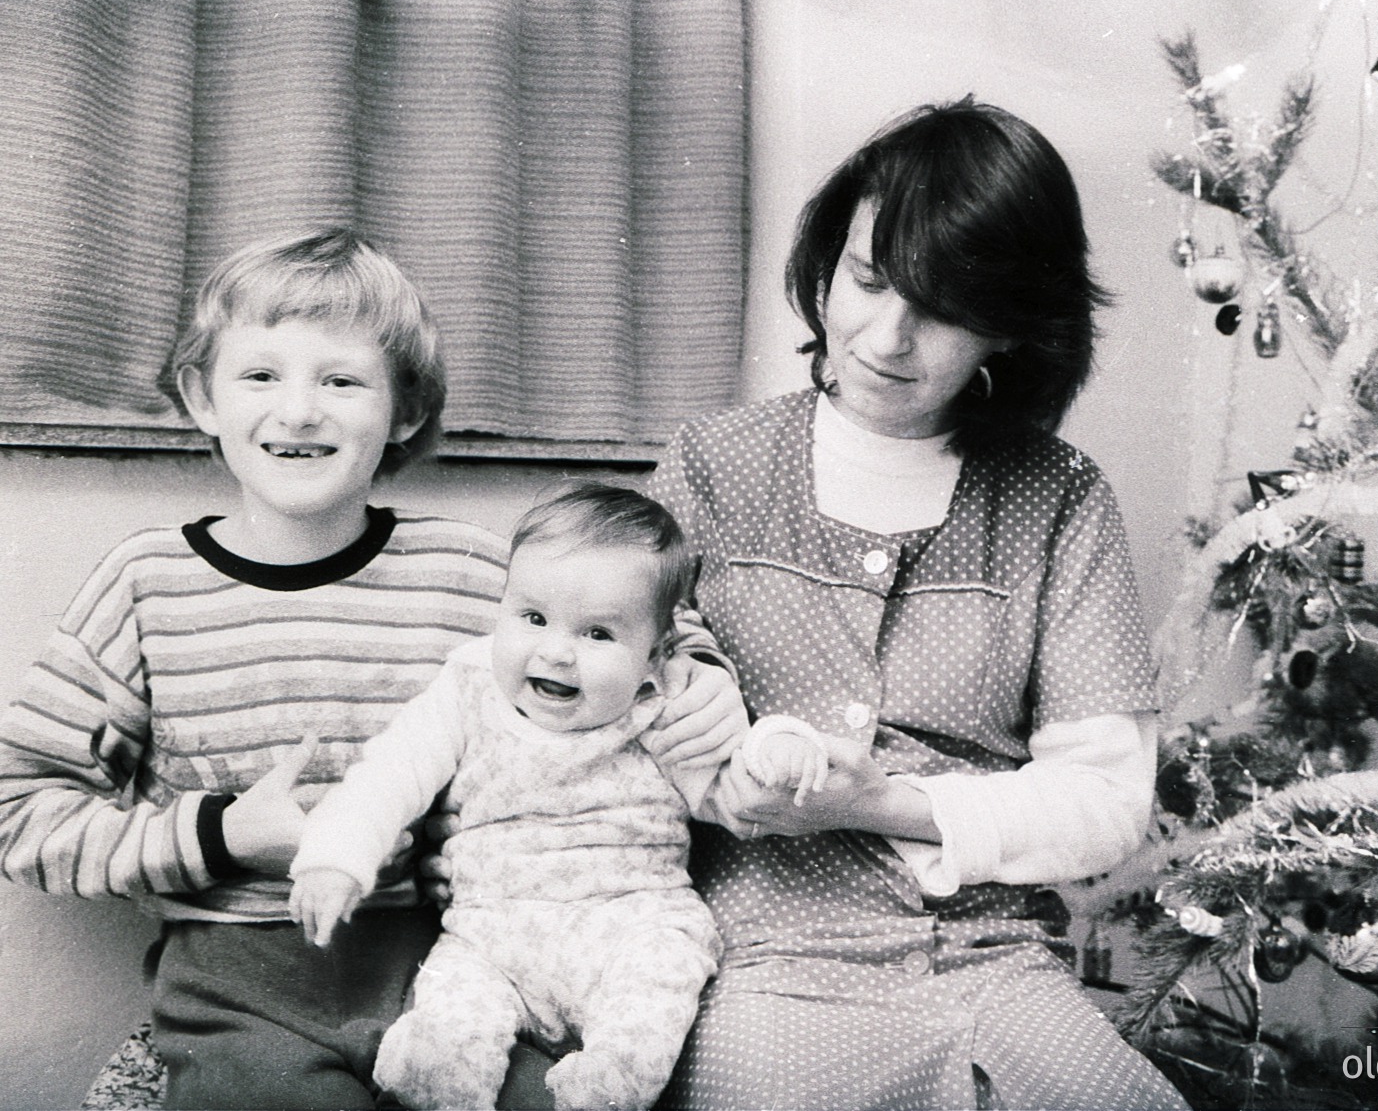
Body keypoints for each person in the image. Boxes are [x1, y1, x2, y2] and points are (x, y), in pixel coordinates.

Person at [0, 229, 744, 1110]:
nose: (300, 410)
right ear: (203, 397)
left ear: (402, 413)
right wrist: (222, 836)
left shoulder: (476, 575)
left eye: (341, 380)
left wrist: (703, 676)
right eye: (261, 374)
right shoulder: (145, 586)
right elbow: (20, 813)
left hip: (450, 964)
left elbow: (641, 621)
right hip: (239, 986)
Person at [645, 98, 1191, 1110]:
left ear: (1013, 326)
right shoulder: (711, 467)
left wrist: (881, 804)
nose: (887, 337)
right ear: (829, 256)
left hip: (995, 961)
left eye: (941, 308)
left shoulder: (1060, 496)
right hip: (765, 954)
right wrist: (707, 760)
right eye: (867, 279)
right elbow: (608, 706)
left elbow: (1107, 803)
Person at [288, 482, 726, 1111]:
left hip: (631, 921)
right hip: (490, 935)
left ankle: (607, 1091)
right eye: (533, 618)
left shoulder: (661, 707)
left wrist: (780, 750)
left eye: (598, 634)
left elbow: (732, 794)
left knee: (656, 993)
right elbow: (389, 773)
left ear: (655, 652)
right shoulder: (467, 691)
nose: (555, 651)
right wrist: (335, 857)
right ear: (502, 608)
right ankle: (432, 1086)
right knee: (446, 1029)